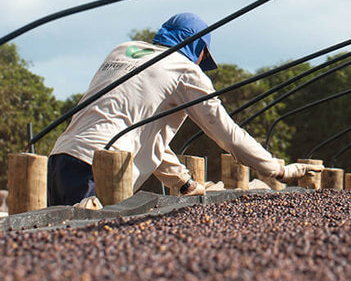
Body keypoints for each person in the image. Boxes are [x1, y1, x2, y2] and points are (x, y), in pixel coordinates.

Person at [47, 12, 321, 205]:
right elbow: (229, 136)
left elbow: (143, 135)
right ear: (199, 50)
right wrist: (279, 170)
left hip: (60, 158)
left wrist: (184, 184)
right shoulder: (185, 71)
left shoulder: (123, 50)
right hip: (98, 169)